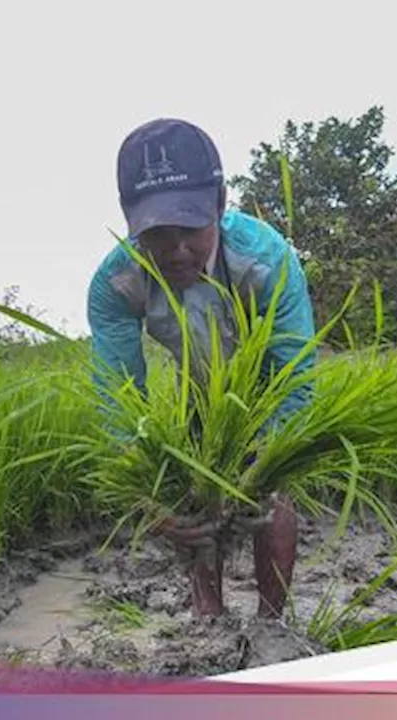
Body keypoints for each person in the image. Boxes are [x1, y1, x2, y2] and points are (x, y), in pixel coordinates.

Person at [86, 117, 317, 619]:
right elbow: (119, 399)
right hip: (197, 385)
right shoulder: (117, 283)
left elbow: (296, 377)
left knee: (272, 496)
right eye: (156, 233)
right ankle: (207, 618)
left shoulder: (266, 259)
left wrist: (266, 461)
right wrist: (151, 499)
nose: (175, 249)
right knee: (189, 494)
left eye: (190, 227)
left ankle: (272, 622)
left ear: (220, 202)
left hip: (265, 386)